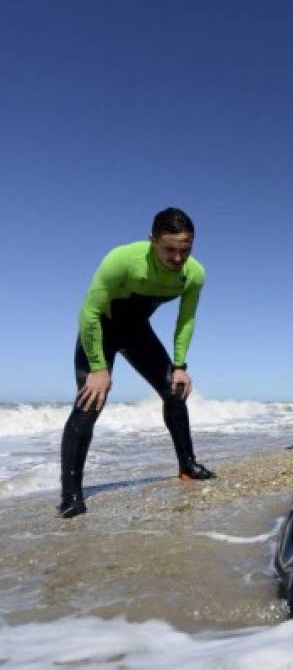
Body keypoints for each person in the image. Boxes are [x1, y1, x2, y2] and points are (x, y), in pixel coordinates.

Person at [58, 208, 215, 519]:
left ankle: (187, 465)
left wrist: (181, 365)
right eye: (170, 249)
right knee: (90, 403)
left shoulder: (194, 274)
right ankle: (71, 493)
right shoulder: (122, 260)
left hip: (136, 332)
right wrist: (98, 368)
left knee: (175, 389)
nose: (178, 258)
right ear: (152, 240)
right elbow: (89, 311)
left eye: (185, 249)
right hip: (100, 330)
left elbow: (186, 319)